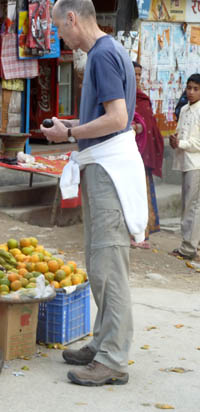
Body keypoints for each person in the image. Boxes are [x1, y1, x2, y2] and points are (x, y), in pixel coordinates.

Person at [41, 0, 147, 387]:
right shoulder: (110, 50)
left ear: (72, 18)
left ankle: (113, 357)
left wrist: (69, 133)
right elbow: (107, 121)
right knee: (100, 261)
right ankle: (103, 342)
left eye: (60, 29)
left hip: (108, 168)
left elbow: (118, 119)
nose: (60, 38)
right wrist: (70, 125)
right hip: (104, 164)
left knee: (108, 265)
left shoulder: (102, 55)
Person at [132, 61, 164, 248]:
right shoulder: (122, 97)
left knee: (142, 192)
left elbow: (149, 125)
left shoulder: (142, 99)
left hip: (143, 154)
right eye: (133, 74)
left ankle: (142, 232)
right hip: (129, 153)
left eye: (139, 75)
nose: (136, 78)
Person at [168, 73, 200, 261]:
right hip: (187, 162)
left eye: (196, 89)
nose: (191, 92)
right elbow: (182, 133)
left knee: (192, 206)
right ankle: (191, 243)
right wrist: (175, 141)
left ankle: (188, 248)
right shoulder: (186, 109)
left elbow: (197, 143)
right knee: (191, 205)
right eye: (189, 88)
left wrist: (180, 143)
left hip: (196, 164)